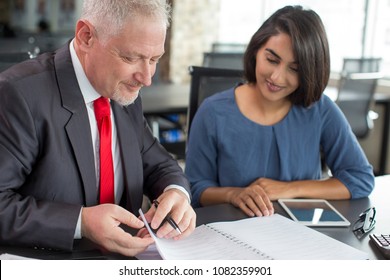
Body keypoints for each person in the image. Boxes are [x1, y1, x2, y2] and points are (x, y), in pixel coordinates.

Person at [0, 0, 196, 257]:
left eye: (154, 59)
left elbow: (159, 163)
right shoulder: (18, 95)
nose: (147, 78)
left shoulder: (124, 88)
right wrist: (81, 223)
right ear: (86, 36)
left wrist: (176, 193)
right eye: (130, 57)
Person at [185, 5, 374, 217]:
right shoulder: (213, 112)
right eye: (272, 60)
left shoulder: (320, 109)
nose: (276, 77)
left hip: (299, 236)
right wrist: (233, 194)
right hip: (233, 235)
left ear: (309, 72)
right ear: (256, 50)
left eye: (294, 69)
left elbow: (359, 179)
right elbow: (194, 188)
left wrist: (290, 189)